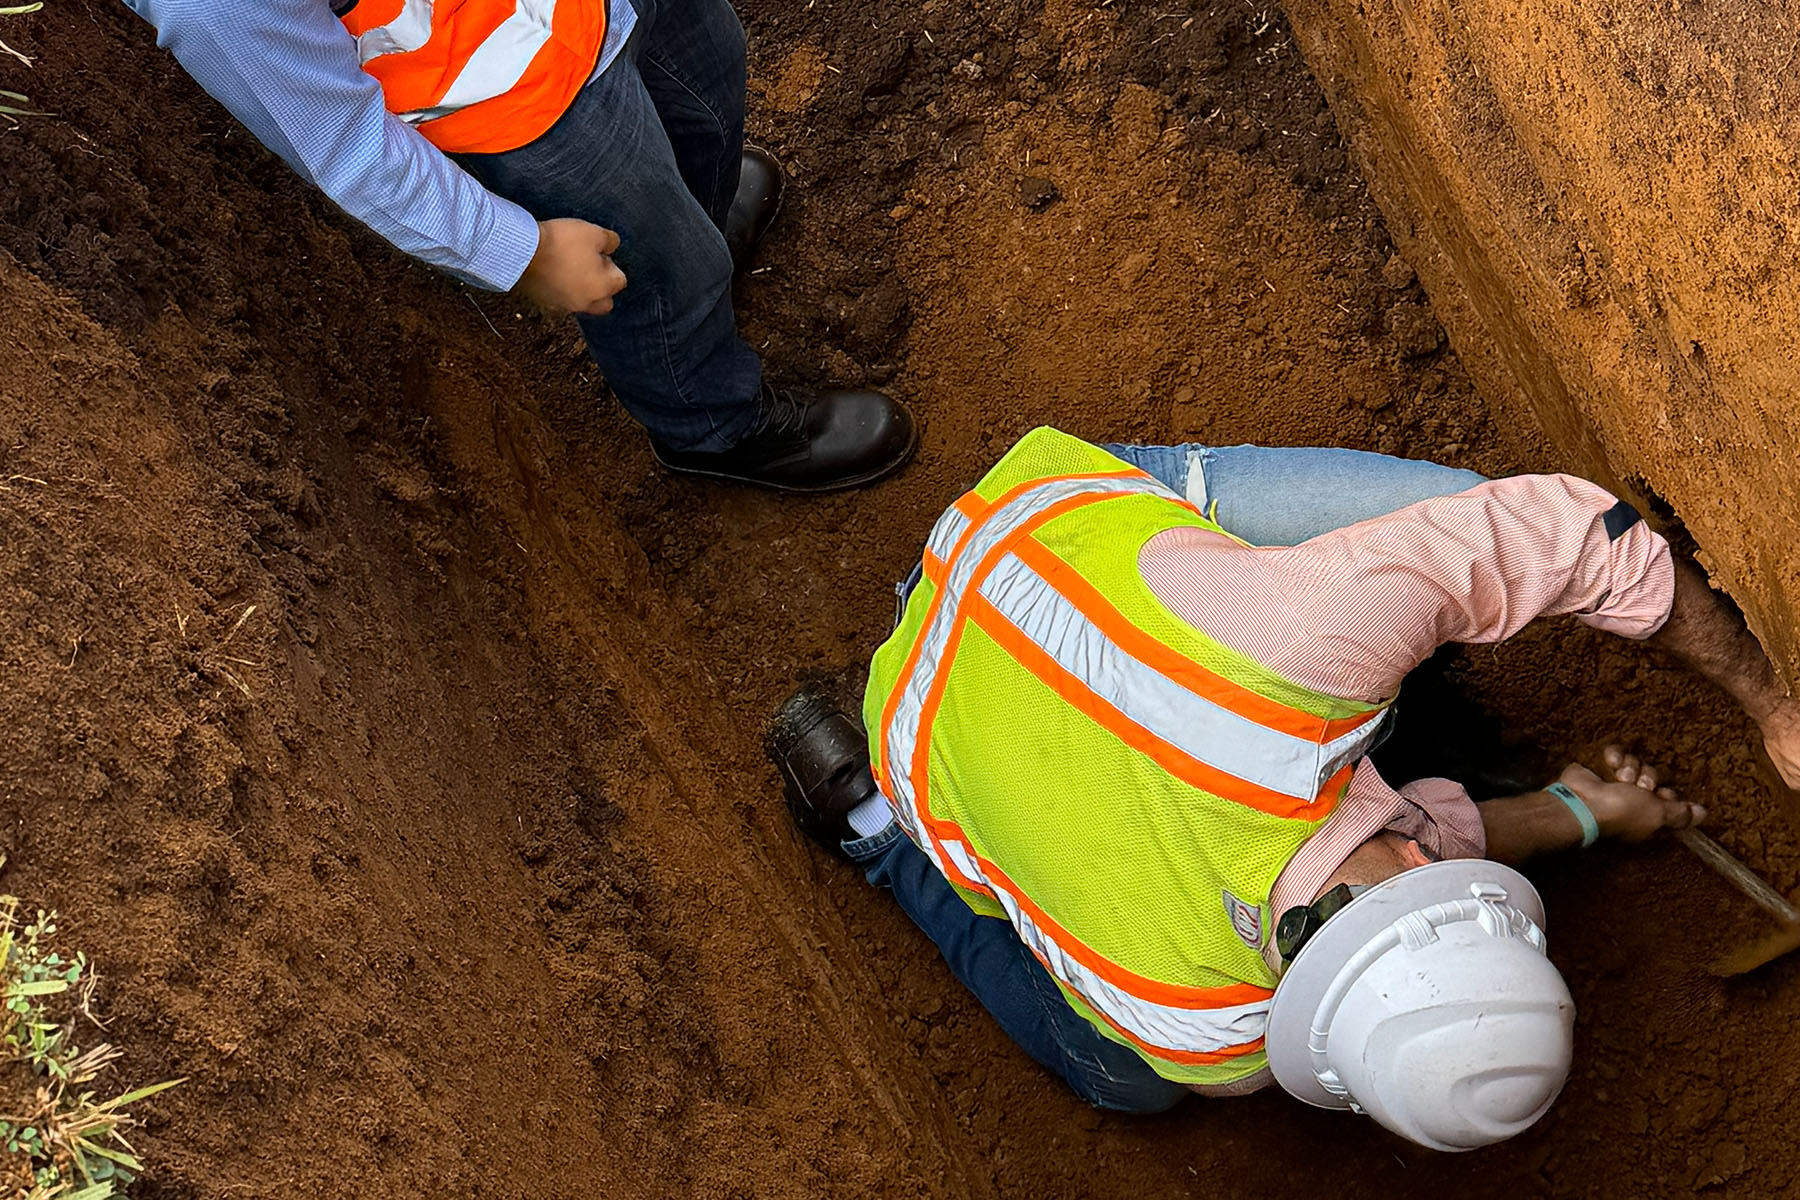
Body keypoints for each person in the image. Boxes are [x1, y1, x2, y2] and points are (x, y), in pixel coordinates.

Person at [765, 428, 1800, 1150]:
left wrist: (1768, 707)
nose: (1426, 851)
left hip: (1021, 550)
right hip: (918, 725)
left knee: (1461, 525)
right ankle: (883, 833)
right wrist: (1577, 813)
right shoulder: (1203, 1036)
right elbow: (1415, 847)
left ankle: (880, 819)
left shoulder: (1296, 662)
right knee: (1122, 1080)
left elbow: (1571, 533)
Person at [119, 0, 916, 493]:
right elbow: (345, 144)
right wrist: (520, 251)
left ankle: (695, 225)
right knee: (653, 270)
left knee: (710, 75)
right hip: (512, 100)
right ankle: (711, 422)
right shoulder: (215, 5)